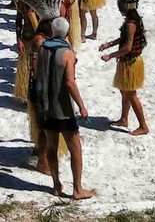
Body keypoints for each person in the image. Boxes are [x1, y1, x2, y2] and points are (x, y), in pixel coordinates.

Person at [35, 17, 95, 200]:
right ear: (67, 33)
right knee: (75, 147)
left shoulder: (42, 48)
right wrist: (82, 106)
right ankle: (77, 189)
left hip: (45, 106)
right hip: (62, 107)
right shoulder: (67, 53)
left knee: (51, 147)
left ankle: (56, 185)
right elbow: (70, 82)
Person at [99, 0, 149, 136]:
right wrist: (109, 44)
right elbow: (124, 38)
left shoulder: (130, 24)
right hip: (128, 62)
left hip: (131, 63)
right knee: (124, 91)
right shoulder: (133, 21)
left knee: (131, 94)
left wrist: (110, 55)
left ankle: (143, 126)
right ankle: (124, 119)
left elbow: (127, 47)